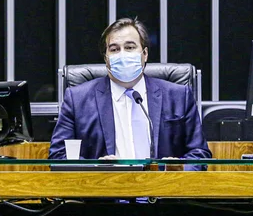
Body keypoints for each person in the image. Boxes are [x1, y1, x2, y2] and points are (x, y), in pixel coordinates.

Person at [48, 17, 211, 165]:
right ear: (106, 58)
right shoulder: (77, 99)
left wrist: (178, 168)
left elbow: (200, 154)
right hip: (104, 193)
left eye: (130, 47)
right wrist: (97, 168)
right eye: (114, 49)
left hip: (164, 193)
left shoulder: (178, 96)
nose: (122, 54)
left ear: (144, 54)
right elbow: (58, 155)